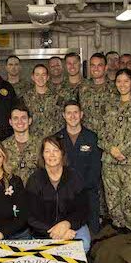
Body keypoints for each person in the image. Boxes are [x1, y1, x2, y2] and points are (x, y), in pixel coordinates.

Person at [99, 69, 131, 232]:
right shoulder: (109, 104)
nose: (122, 84)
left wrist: (122, 150)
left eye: (126, 81)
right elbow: (101, 131)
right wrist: (110, 149)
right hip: (110, 161)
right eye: (119, 81)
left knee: (130, 201)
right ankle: (118, 237)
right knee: (113, 202)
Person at [26, 136, 90, 252]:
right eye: (47, 151)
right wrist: (56, 233)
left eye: (55, 150)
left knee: (83, 245)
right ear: (42, 155)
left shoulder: (74, 177)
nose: (52, 155)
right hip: (44, 230)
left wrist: (67, 224)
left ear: (62, 153)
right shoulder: (34, 180)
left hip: (71, 226)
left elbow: (83, 210)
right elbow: (31, 216)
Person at [54, 100, 102, 234]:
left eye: (75, 112)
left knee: (93, 233)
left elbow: (95, 168)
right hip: (64, 193)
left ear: (81, 114)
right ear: (64, 115)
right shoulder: (57, 138)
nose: (72, 116)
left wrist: (80, 187)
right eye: (69, 113)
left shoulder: (92, 137)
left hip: (88, 192)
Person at [78, 52, 116, 139]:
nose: (96, 68)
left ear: (106, 68)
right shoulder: (82, 88)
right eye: (93, 65)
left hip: (109, 138)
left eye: (99, 65)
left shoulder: (115, 88)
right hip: (87, 137)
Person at [2, 104, 41, 185]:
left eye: (23, 118)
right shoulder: (3, 147)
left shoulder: (41, 144)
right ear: (10, 122)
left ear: (30, 121)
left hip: (36, 193)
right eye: (15, 118)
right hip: (11, 193)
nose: (20, 121)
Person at [21, 64, 62, 137]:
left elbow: (61, 121)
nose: (40, 78)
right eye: (37, 75)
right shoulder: (25, 98)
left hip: (52, 141)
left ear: (48, 77)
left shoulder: (57, 98)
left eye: (43, 74)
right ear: (33, 77)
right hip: (32, 141)